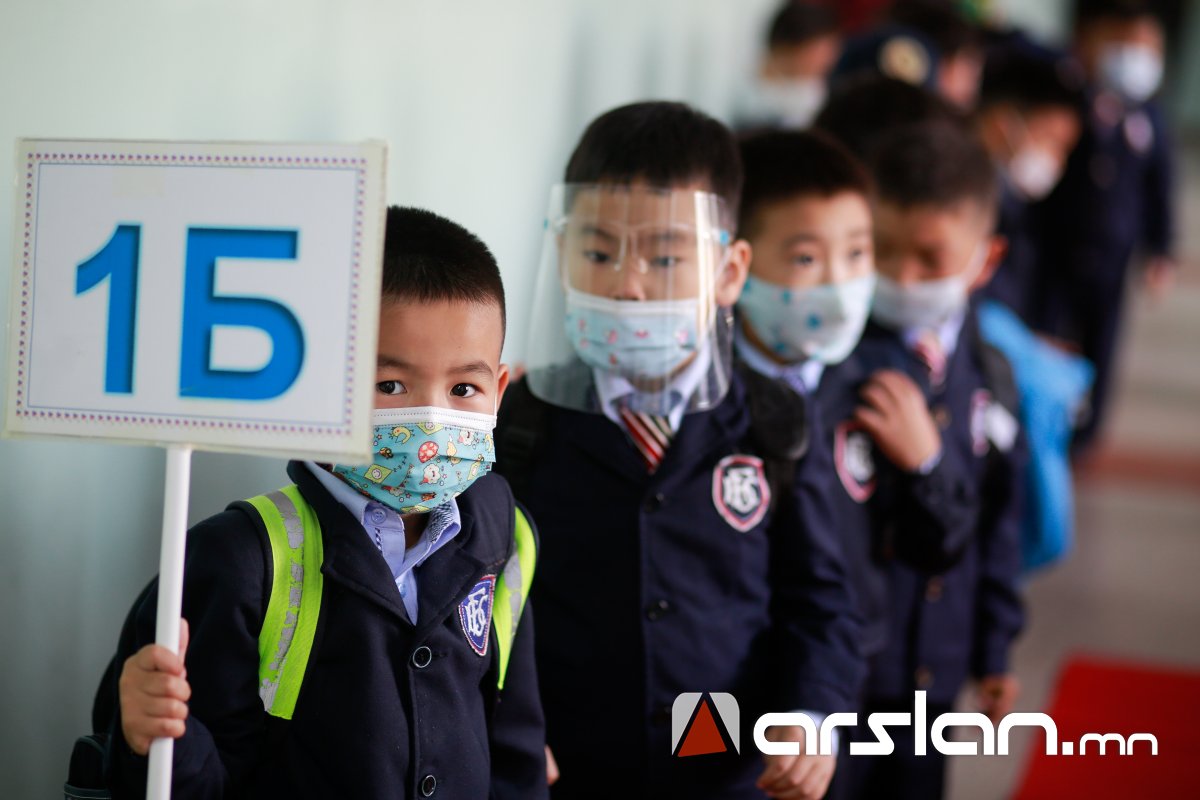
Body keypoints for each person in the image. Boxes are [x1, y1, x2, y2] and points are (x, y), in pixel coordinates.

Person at [105, 207, 548, 799]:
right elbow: (203, 782)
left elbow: (515, 752)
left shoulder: (503, 532)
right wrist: (154, 738)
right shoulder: (237, 562)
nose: (431, 422)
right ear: (317, 384)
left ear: (499, 389)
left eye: (463, 388)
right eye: (390, 385)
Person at [495, 101, 862, 800]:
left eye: (666, 258)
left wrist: (811, 717)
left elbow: (820, 600)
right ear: (562, 253)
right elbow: (482, 600)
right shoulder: (521, 422)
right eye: (597, 252)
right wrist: (500, 720)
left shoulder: (774, 421)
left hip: (726, 766)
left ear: (728, 272)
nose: (628, 286)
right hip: (567, 771)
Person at [820, 121, 1026, 800]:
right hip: (848, 674)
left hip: (935, 672)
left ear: (986, 260)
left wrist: (995, 649)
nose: (901, 277)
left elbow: (997, 522)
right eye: (881, 250)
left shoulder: (991, 372)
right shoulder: (836, 365)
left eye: (931, 259)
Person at [1036, 0, 1177, 451]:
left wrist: (1161, 250)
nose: (1134, 58)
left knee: (1103, 342)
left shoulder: (1150, 118)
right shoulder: (1068, 103)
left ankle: (1088, 431)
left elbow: (1160, 188)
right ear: (1089, 43)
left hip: (1114, 256)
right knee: (1049, 333)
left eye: (1147, 48)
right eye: (1122, 44)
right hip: (1057, 251)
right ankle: (1045, 416)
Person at [975, 37, 1086, 322]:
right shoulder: (964, 199)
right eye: (1051, 141)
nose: (1057, 161)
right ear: (1003, 125)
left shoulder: (1014, 203)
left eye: (1064, 150)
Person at [737, 1, 843, 131]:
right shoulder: (750, 99)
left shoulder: (812, 87)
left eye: (833, 50)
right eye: (819, 52)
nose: (829, 60)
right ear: (785, 48)